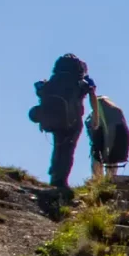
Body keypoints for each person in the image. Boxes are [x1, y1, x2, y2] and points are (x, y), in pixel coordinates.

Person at [30, 54, 96, 193]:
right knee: (67, 150)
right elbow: (91, 93)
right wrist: (96, 115)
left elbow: (40, 89)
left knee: (58, 147)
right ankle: (60, 181)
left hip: (54, 120)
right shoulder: (81, 82)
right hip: (72, 122)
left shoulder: (52, 81)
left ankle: (54, 175)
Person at [86, 95, 129, 180]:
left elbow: (92, 128)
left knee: (99, 156)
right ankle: (108, 179)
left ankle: (98, 180)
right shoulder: (116, 111)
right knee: (111, 157)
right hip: (113, 137)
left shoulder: (97, 112)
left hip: (107, 136)